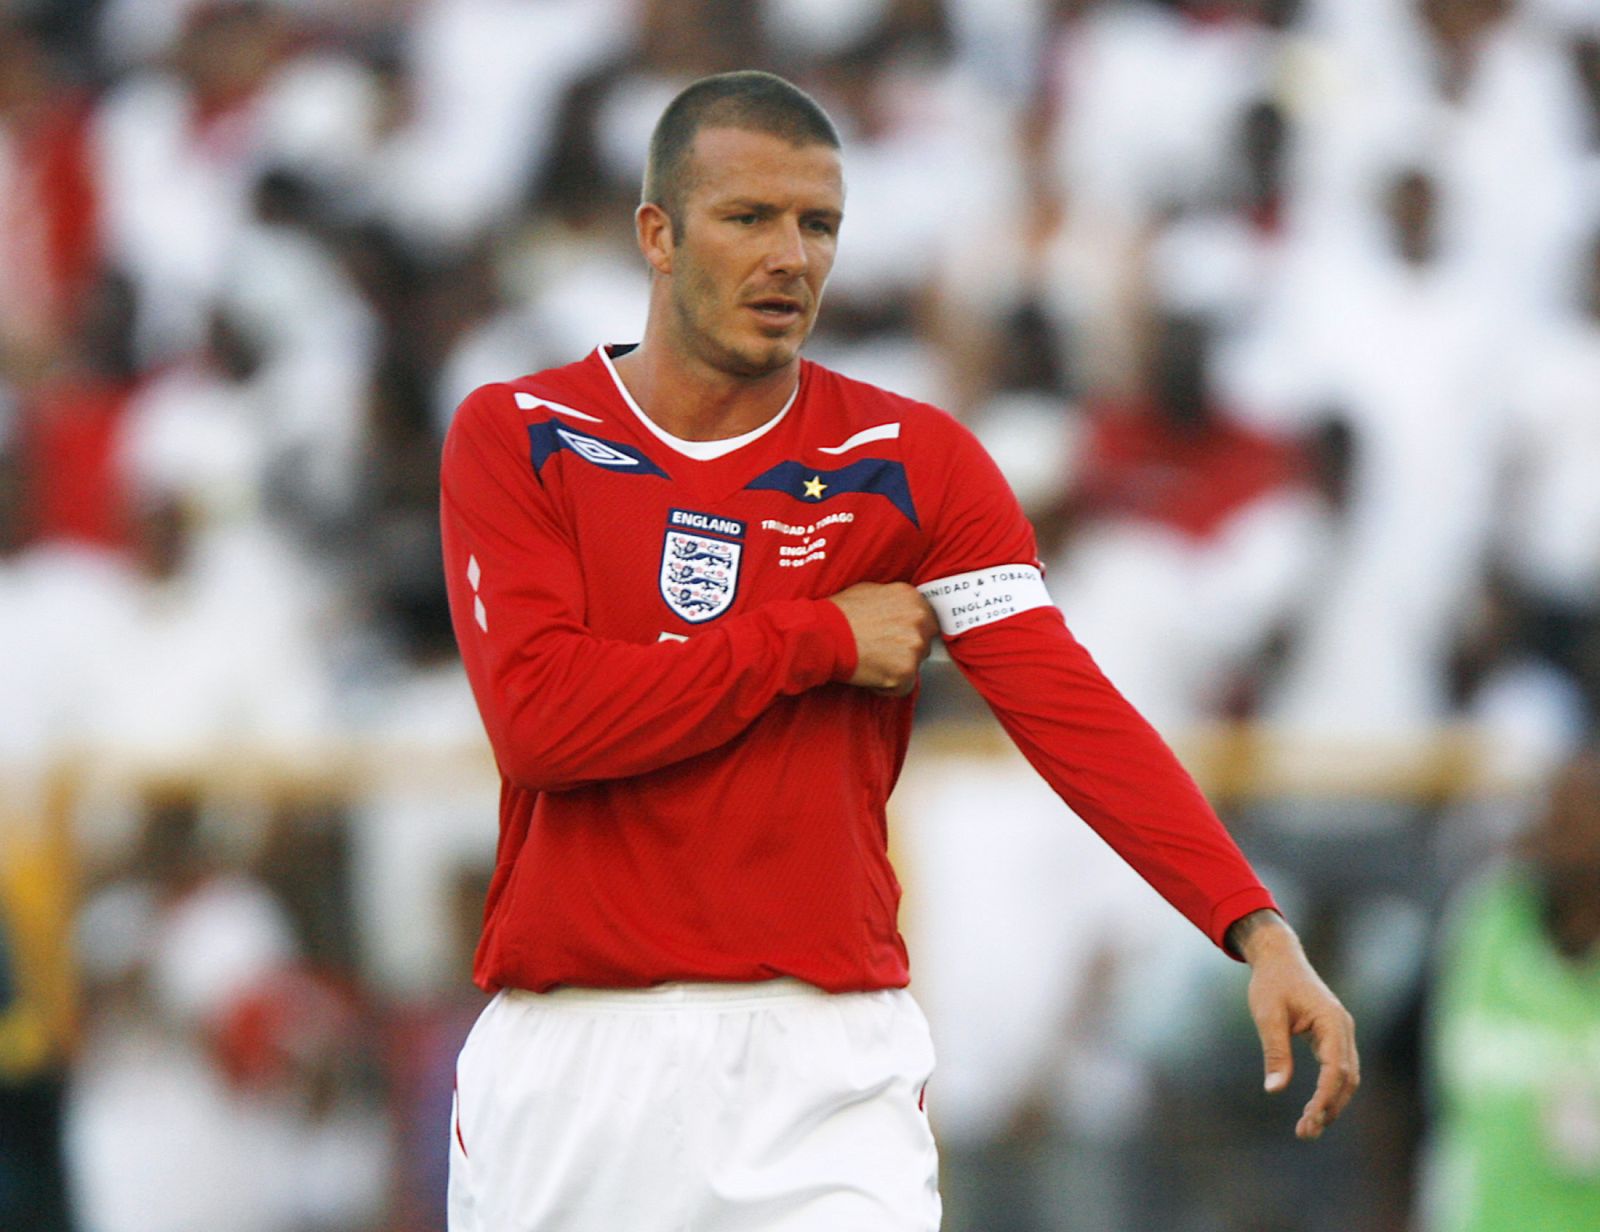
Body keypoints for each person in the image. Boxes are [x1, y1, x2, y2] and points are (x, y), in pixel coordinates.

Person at [438, 69, 1358, 1231]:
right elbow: (543, 723)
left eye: (817, 224)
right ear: (656, 234)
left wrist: (1251, 922)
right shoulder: (520, 434)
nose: (791, 256)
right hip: (575, 1054)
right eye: (749, 217)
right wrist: (816, 635)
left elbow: (1069, 707)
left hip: (821, 1061)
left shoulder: (912, 462)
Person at [1424, 742, 1600, 1232]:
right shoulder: (1487, 921)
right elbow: (1398, 1079)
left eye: (1576, 818)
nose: (1551, 830)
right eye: (1551, 812)